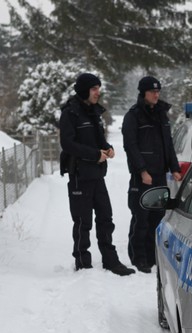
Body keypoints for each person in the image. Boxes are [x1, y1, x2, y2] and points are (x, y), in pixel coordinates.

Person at [59, 73, 135, 276]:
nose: (97, 93)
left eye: (98, 89)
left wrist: (108, 148)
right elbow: (67, 144)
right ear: (84, 90)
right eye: (94, 89)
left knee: (105, 218)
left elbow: (98, 138)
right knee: (83, 222)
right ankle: (83, 264)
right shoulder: (70, 113)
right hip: (79, 175)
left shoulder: (94, 112)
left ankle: (111, 261)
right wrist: (94, 155)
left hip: (97, 175)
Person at [121, 76, 182, 273]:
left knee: (157, 217)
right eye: (152, 92)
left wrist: (174, 167)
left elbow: (168, 144)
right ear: (143, 93)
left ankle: (152, 255)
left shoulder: (162, 114)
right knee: (141, 218)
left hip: (160, 175)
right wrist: (141, 171)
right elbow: (131, 146)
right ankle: (139, 258)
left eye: (158, 91)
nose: (156, 94)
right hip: (143, 177)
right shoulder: (133, 116)